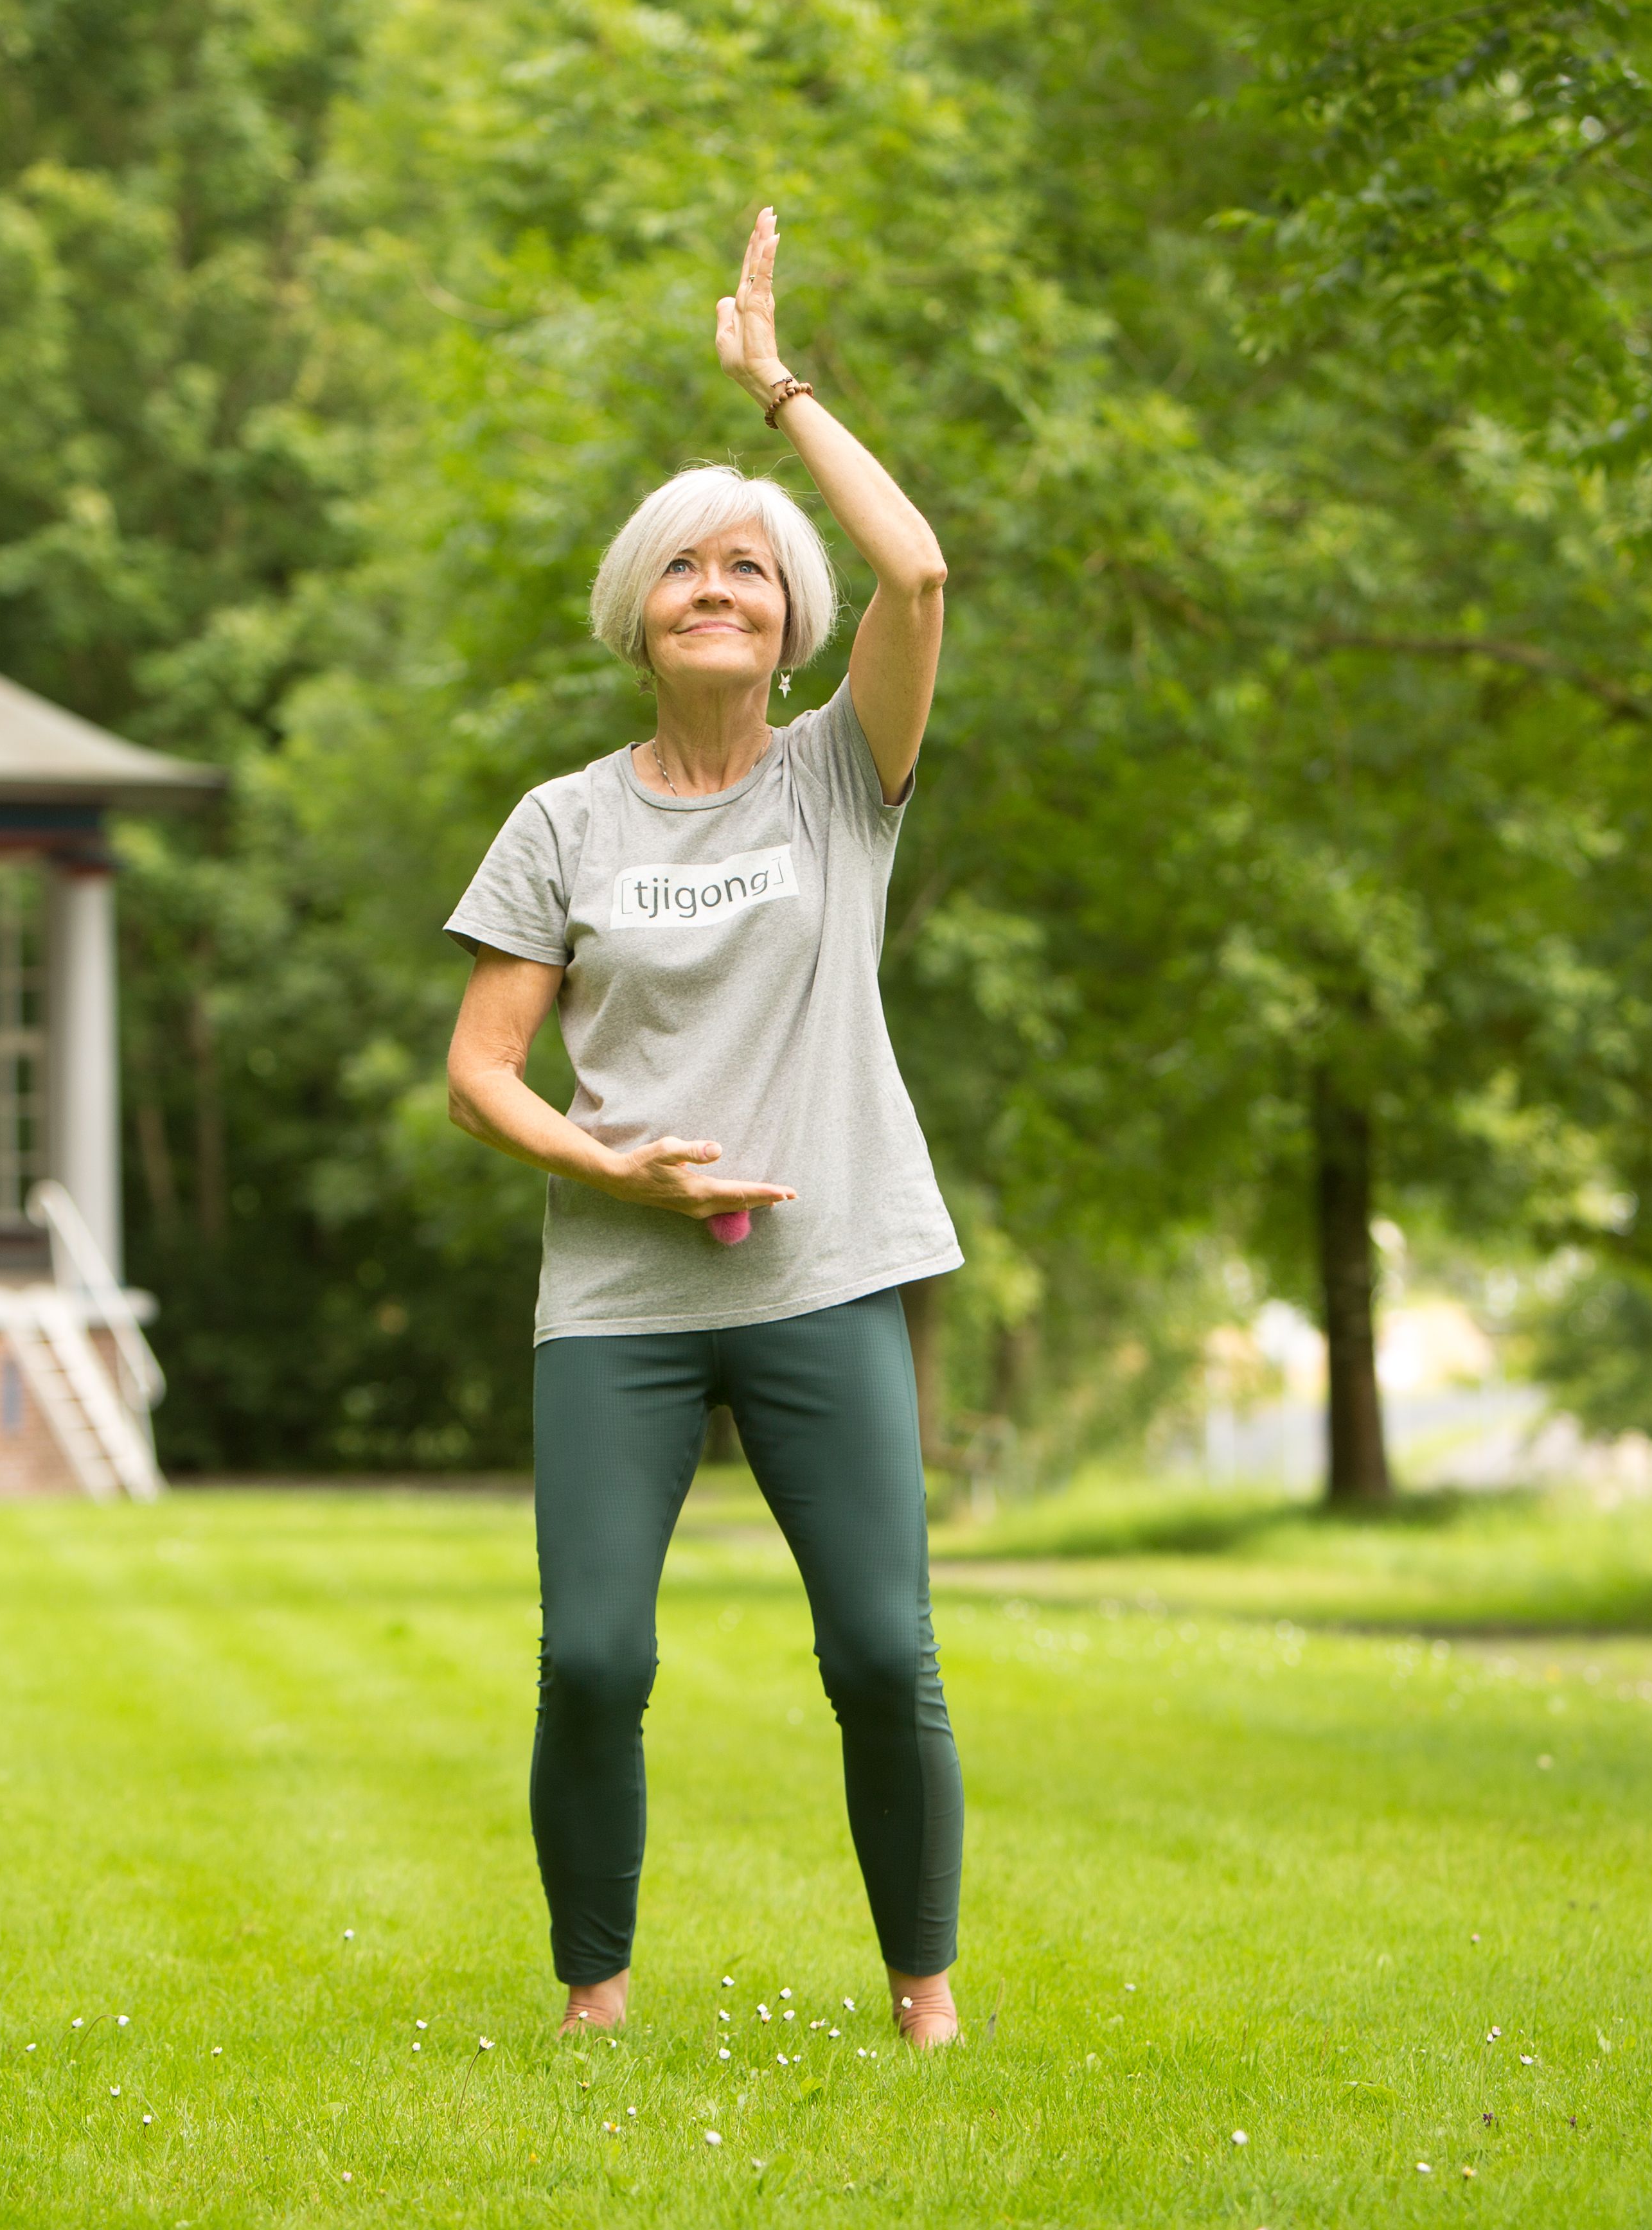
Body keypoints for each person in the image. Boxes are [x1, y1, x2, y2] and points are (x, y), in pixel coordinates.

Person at [442, 206, 968, 2046]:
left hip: (829, 1269)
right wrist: (614, 1169)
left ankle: (924, 2001)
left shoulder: (843, 779)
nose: (724, 590)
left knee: (882, 1653)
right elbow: (483, 1066)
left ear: (785, 613)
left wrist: (780, 393)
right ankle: (596, 2001)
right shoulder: (563, 824)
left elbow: (918, 575)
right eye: (690, 573)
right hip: (621, 1296)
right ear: (641, 615)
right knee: (594, 1656)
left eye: (752, 569)